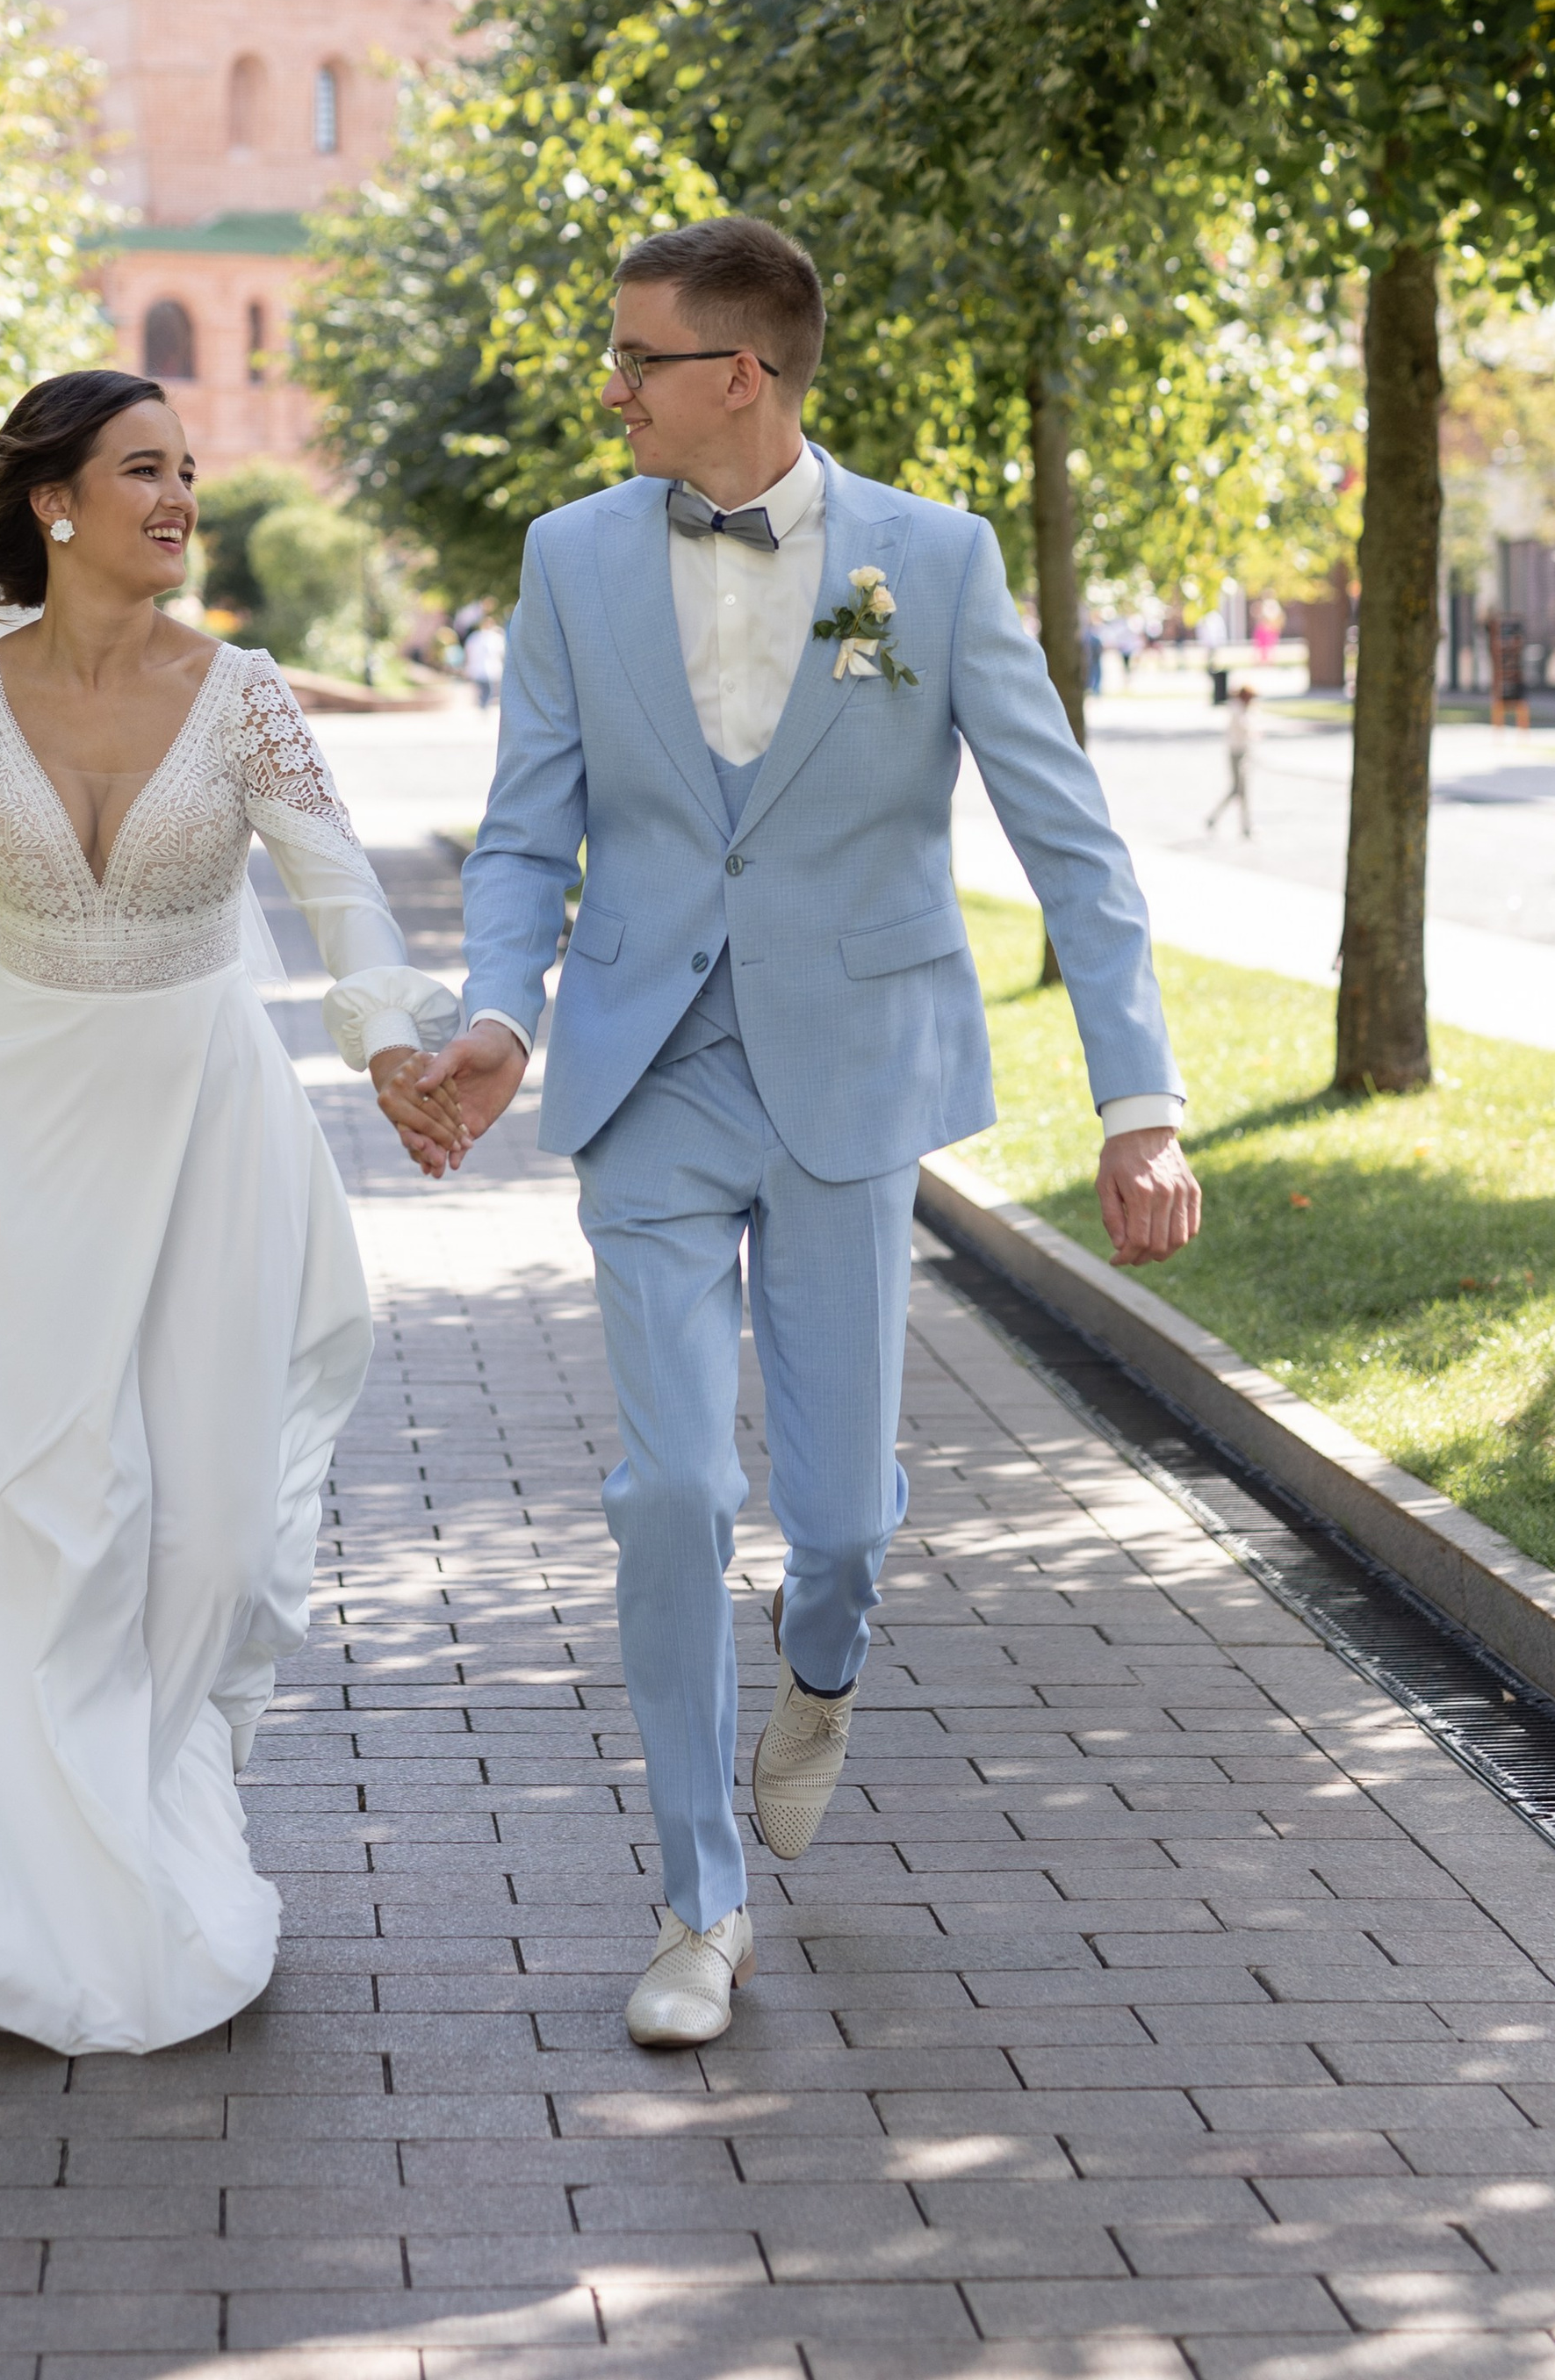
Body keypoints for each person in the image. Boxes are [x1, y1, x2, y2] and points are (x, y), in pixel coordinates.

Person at [381, 218, 1199, 2053]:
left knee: (834, 1521)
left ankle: (820, 1663)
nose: (610, 385)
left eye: (636, 355)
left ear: (736, 372)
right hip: (648, 1064)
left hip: (853, 1075)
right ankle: (695, 1898)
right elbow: (524, 833)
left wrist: (1135, 1103)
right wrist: (499, 1011)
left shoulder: (932, 557)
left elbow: (1067, 836)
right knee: (670, 1487)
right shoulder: (571, 555)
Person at [0, 371, 461, 2057]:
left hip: (205, 1126)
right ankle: (23, 1896)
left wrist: (388, 1041)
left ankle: (168, 1825)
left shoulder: (244, 698)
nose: (178, 496)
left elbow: (340, 890)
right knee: (38, 1520)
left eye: (189, 471)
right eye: (143, 469)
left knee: (220, 1532)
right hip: (20, 1129)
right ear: (56, 503)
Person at [1208, 681, 1257, 838]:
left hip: (1241, 753)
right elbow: (1245, 728)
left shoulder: (1240, 710)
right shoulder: (1238, 711)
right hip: (1237, 754)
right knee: (1238, 790)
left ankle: (1244, 825)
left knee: (1240, 791)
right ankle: (1240, 824)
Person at [463, 611, 508, 712]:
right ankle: (483, 707)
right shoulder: (476, 638)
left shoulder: (494, 638)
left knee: (487, 690)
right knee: (484, 689)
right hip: (481, 669)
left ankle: (483, 707)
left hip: (489, 669)